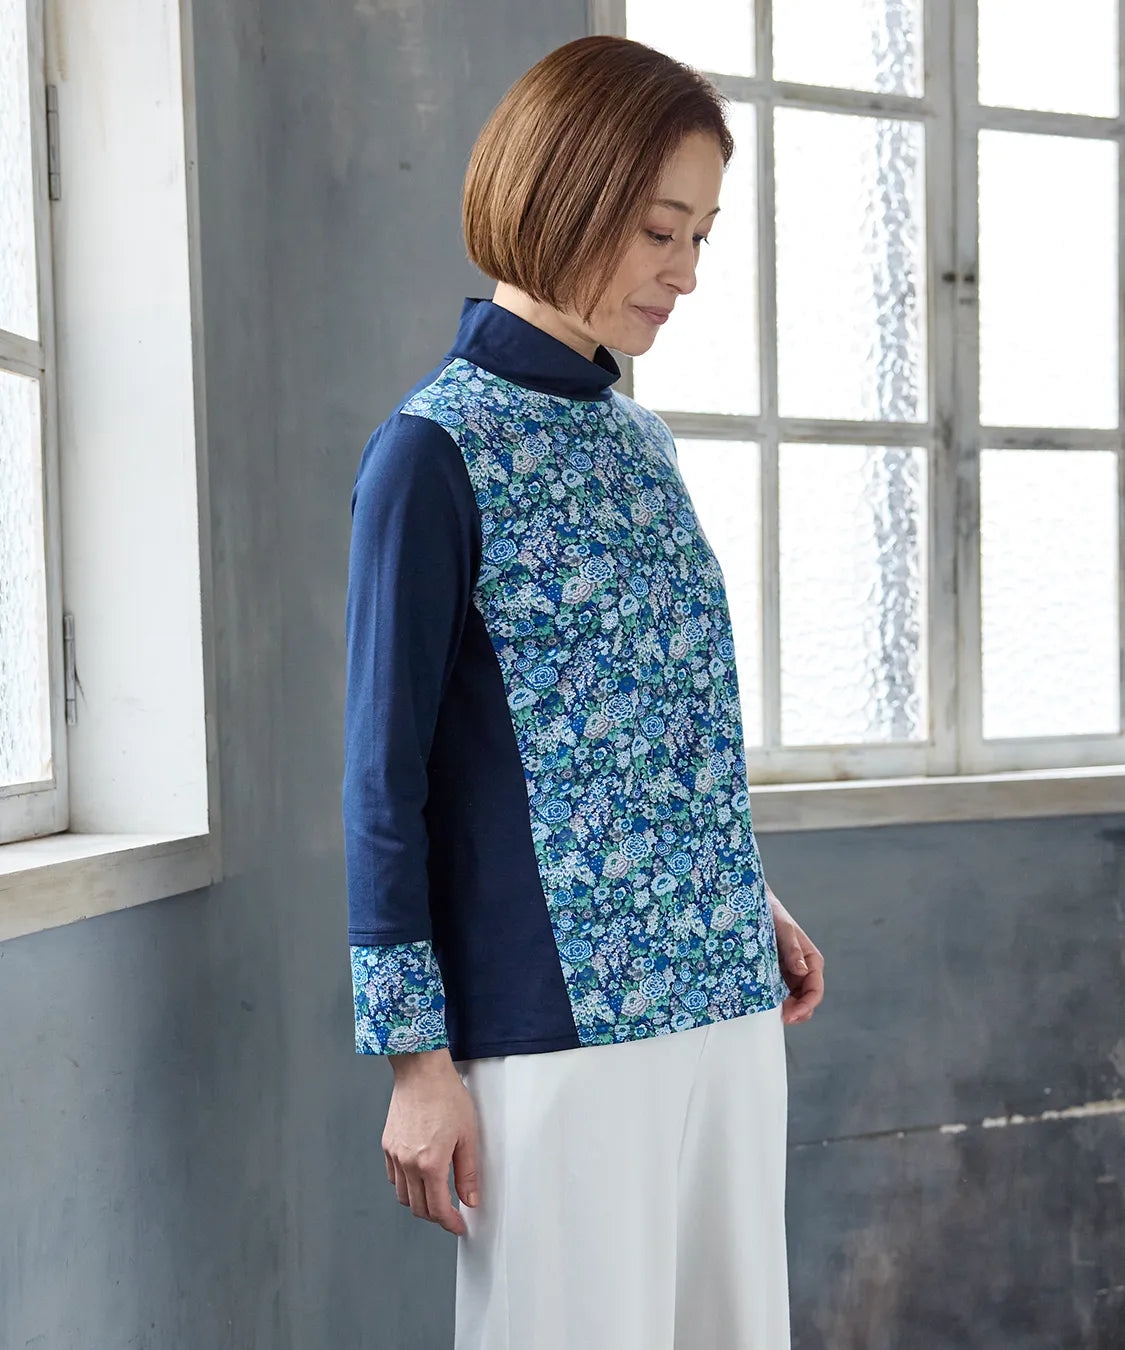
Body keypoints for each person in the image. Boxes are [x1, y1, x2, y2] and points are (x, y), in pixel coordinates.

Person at [342, 33, 825, 1350]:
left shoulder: (641, 441)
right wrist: (416, 1061)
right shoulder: (432, 453)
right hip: (555, 1024)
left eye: (701, 236)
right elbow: (384, 783)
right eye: (659, 230)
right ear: (562, 196)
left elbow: (652, 725)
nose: (685, 271)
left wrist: (744, 894)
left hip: (723, 1002)